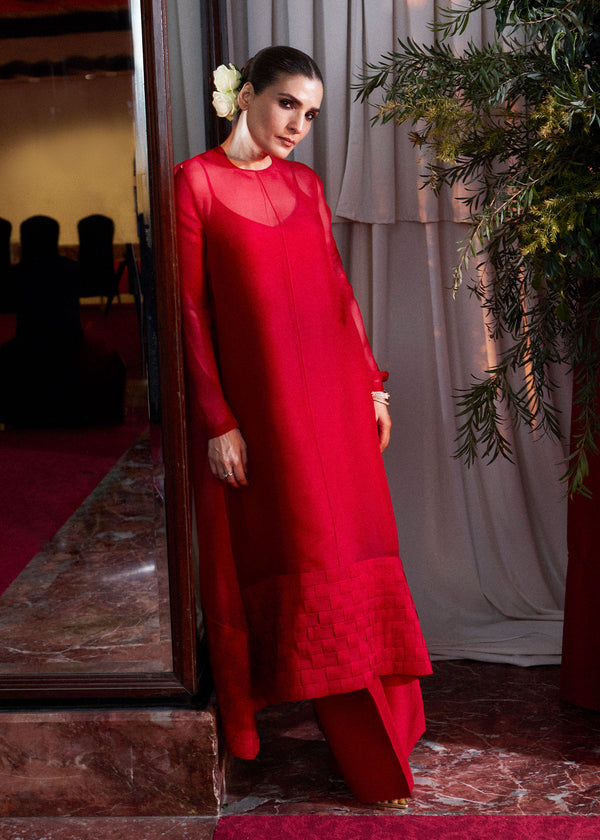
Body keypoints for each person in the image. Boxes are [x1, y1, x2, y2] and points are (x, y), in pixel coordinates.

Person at [174, 45, 432, 807]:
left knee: (358, 549)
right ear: (246, 95)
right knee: (308, 553)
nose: (299, 124)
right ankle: (367, 755)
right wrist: (218, 419)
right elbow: (191, 311)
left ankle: (397, 732)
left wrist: (372, 386)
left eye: (311, 114)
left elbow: (336, 290)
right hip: (268, 413)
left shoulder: (307, 185)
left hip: (336, 401)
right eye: (288, 103)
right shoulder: (196, 182)